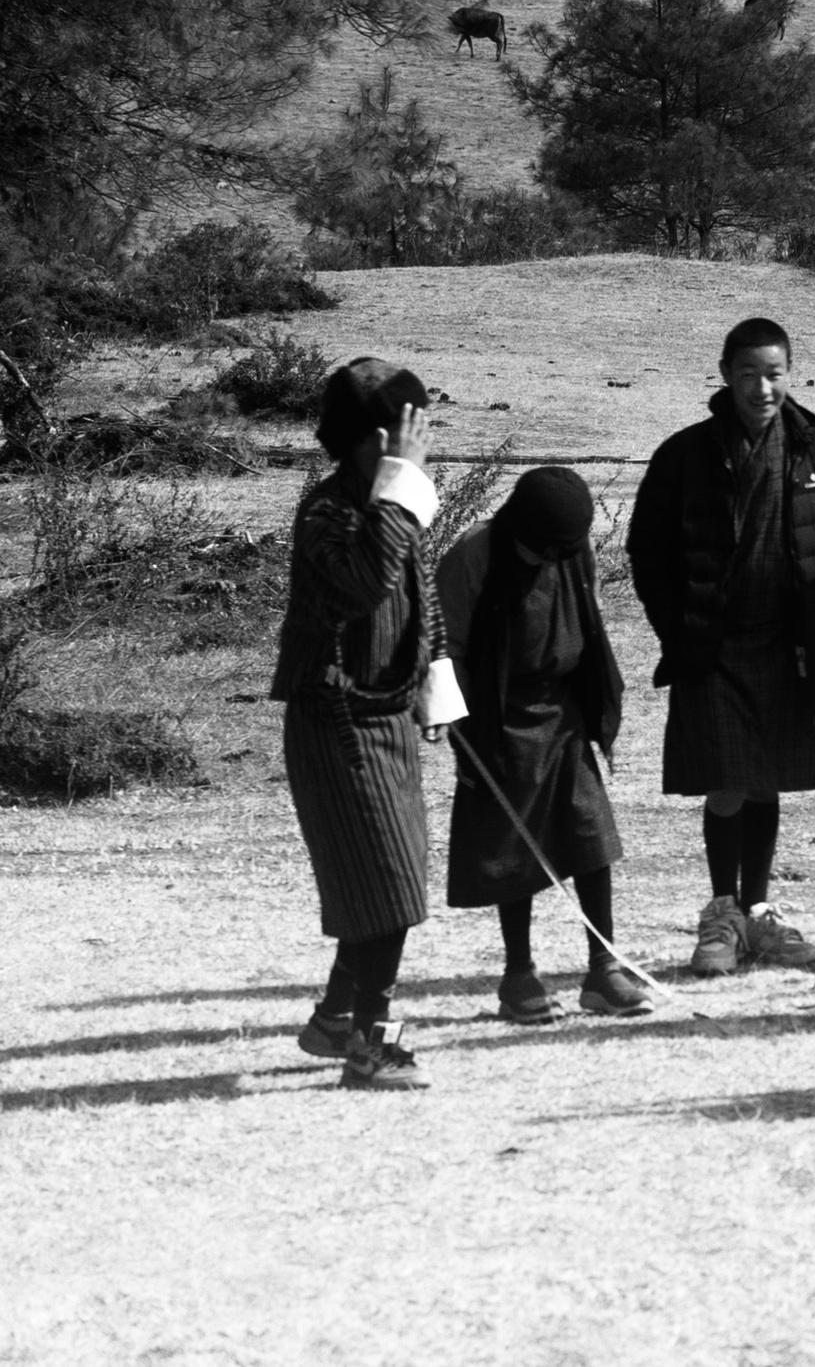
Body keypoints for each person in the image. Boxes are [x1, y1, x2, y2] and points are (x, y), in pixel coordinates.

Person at [627, 317, 815, 975]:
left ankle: (758, 913)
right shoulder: (686, 453)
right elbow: (647, 549)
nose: (762, 386)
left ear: (791, 373)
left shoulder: (814, 452)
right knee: (725, 782)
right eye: (748, 372)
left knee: (767, 778)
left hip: (786, 644)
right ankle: (721, 914)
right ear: (725, 373)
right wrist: (677, 625)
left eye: (774, 372)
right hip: (712, 645)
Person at [273, 357, 462, 1091]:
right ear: (369, 437)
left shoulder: (394, 505)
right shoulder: (330, 512)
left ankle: (333, 1017)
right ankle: (369, 1043)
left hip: (390, 718)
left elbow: (422, 597)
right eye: (409, 427)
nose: (423, 440)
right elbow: (364, 582)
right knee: (385, 888)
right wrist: (401, 489)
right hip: (336, 721)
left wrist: (438, 691)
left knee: (391, 879)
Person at [439, 463, 645, 1022]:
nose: (551, 562)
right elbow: (446, 645)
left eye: (561, 551)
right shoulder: (473, 554)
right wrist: (461, 729)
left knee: (592, 835)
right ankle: (518, 976)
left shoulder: (570, 548)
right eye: (541, 552)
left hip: (565, 709)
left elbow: (591, 619)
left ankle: (604, 969)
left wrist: (600, 706)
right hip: (499, 715)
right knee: (513, 847)